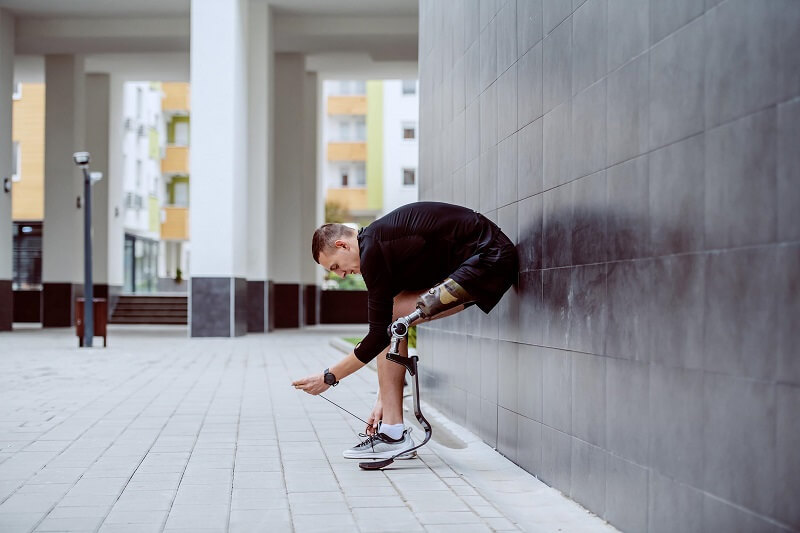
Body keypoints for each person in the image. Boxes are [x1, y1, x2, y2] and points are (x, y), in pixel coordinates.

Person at [292, 201, 518, 460]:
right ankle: (392, 428)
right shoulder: (380, 245)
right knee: (394, 320)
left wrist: (329, 377)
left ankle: (394, 434)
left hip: (490, 258)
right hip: (481, 260)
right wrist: (384, 400)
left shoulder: (373, 250)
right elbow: (387, 336)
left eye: (335, 267)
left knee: (391, 322)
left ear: (342, 245)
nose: (341, 275)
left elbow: (377, 337)